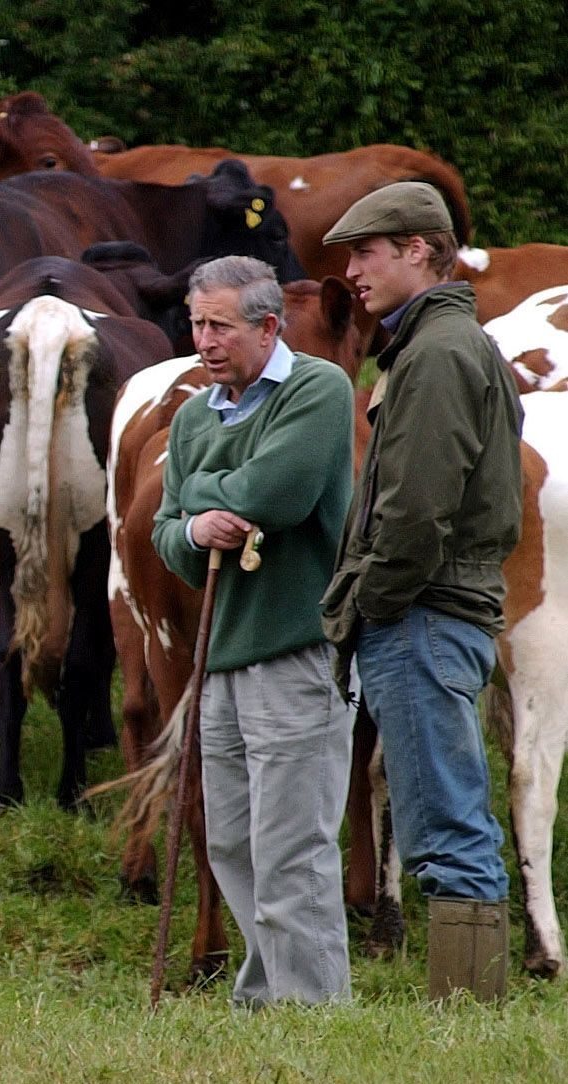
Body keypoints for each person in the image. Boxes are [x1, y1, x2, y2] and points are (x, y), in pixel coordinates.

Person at [320, 181, 522, 1002]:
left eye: (366, 252)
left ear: (417, 249)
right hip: (434, 609)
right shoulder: (442, 344)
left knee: (445, 819)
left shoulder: (437, 354)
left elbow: (413, 508)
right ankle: (467, 1003)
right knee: (448, 808)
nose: (352, 272)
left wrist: (374, 602)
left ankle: (469, 1012)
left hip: (423, 612)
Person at [153, 255, 357, 1006]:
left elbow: (277, 494)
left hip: (297, 649)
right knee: (233, 842)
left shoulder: (316, 389)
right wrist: (196, 523)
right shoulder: (190, 414)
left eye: (219, 326)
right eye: (195, 323)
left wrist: (197, 502)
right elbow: (165, 534)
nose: (203, 341)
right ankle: (269, 994)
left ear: (268, 326)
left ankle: (310, 1011)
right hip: (221, 656)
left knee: (291, 845)